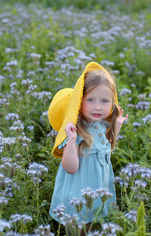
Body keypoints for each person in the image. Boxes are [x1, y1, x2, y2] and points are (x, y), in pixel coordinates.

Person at [48, 62, 128, 225]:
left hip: (98, 188)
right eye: (90, 100)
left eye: (105, 101)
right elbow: (70, 168)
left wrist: (117, 125)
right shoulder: (77, 132)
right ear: (79, 102)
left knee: (94, 222)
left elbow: (107, 147)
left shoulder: (102, 126)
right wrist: (71, 141)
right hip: (78, 194)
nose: (97, 107)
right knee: (80, 225)